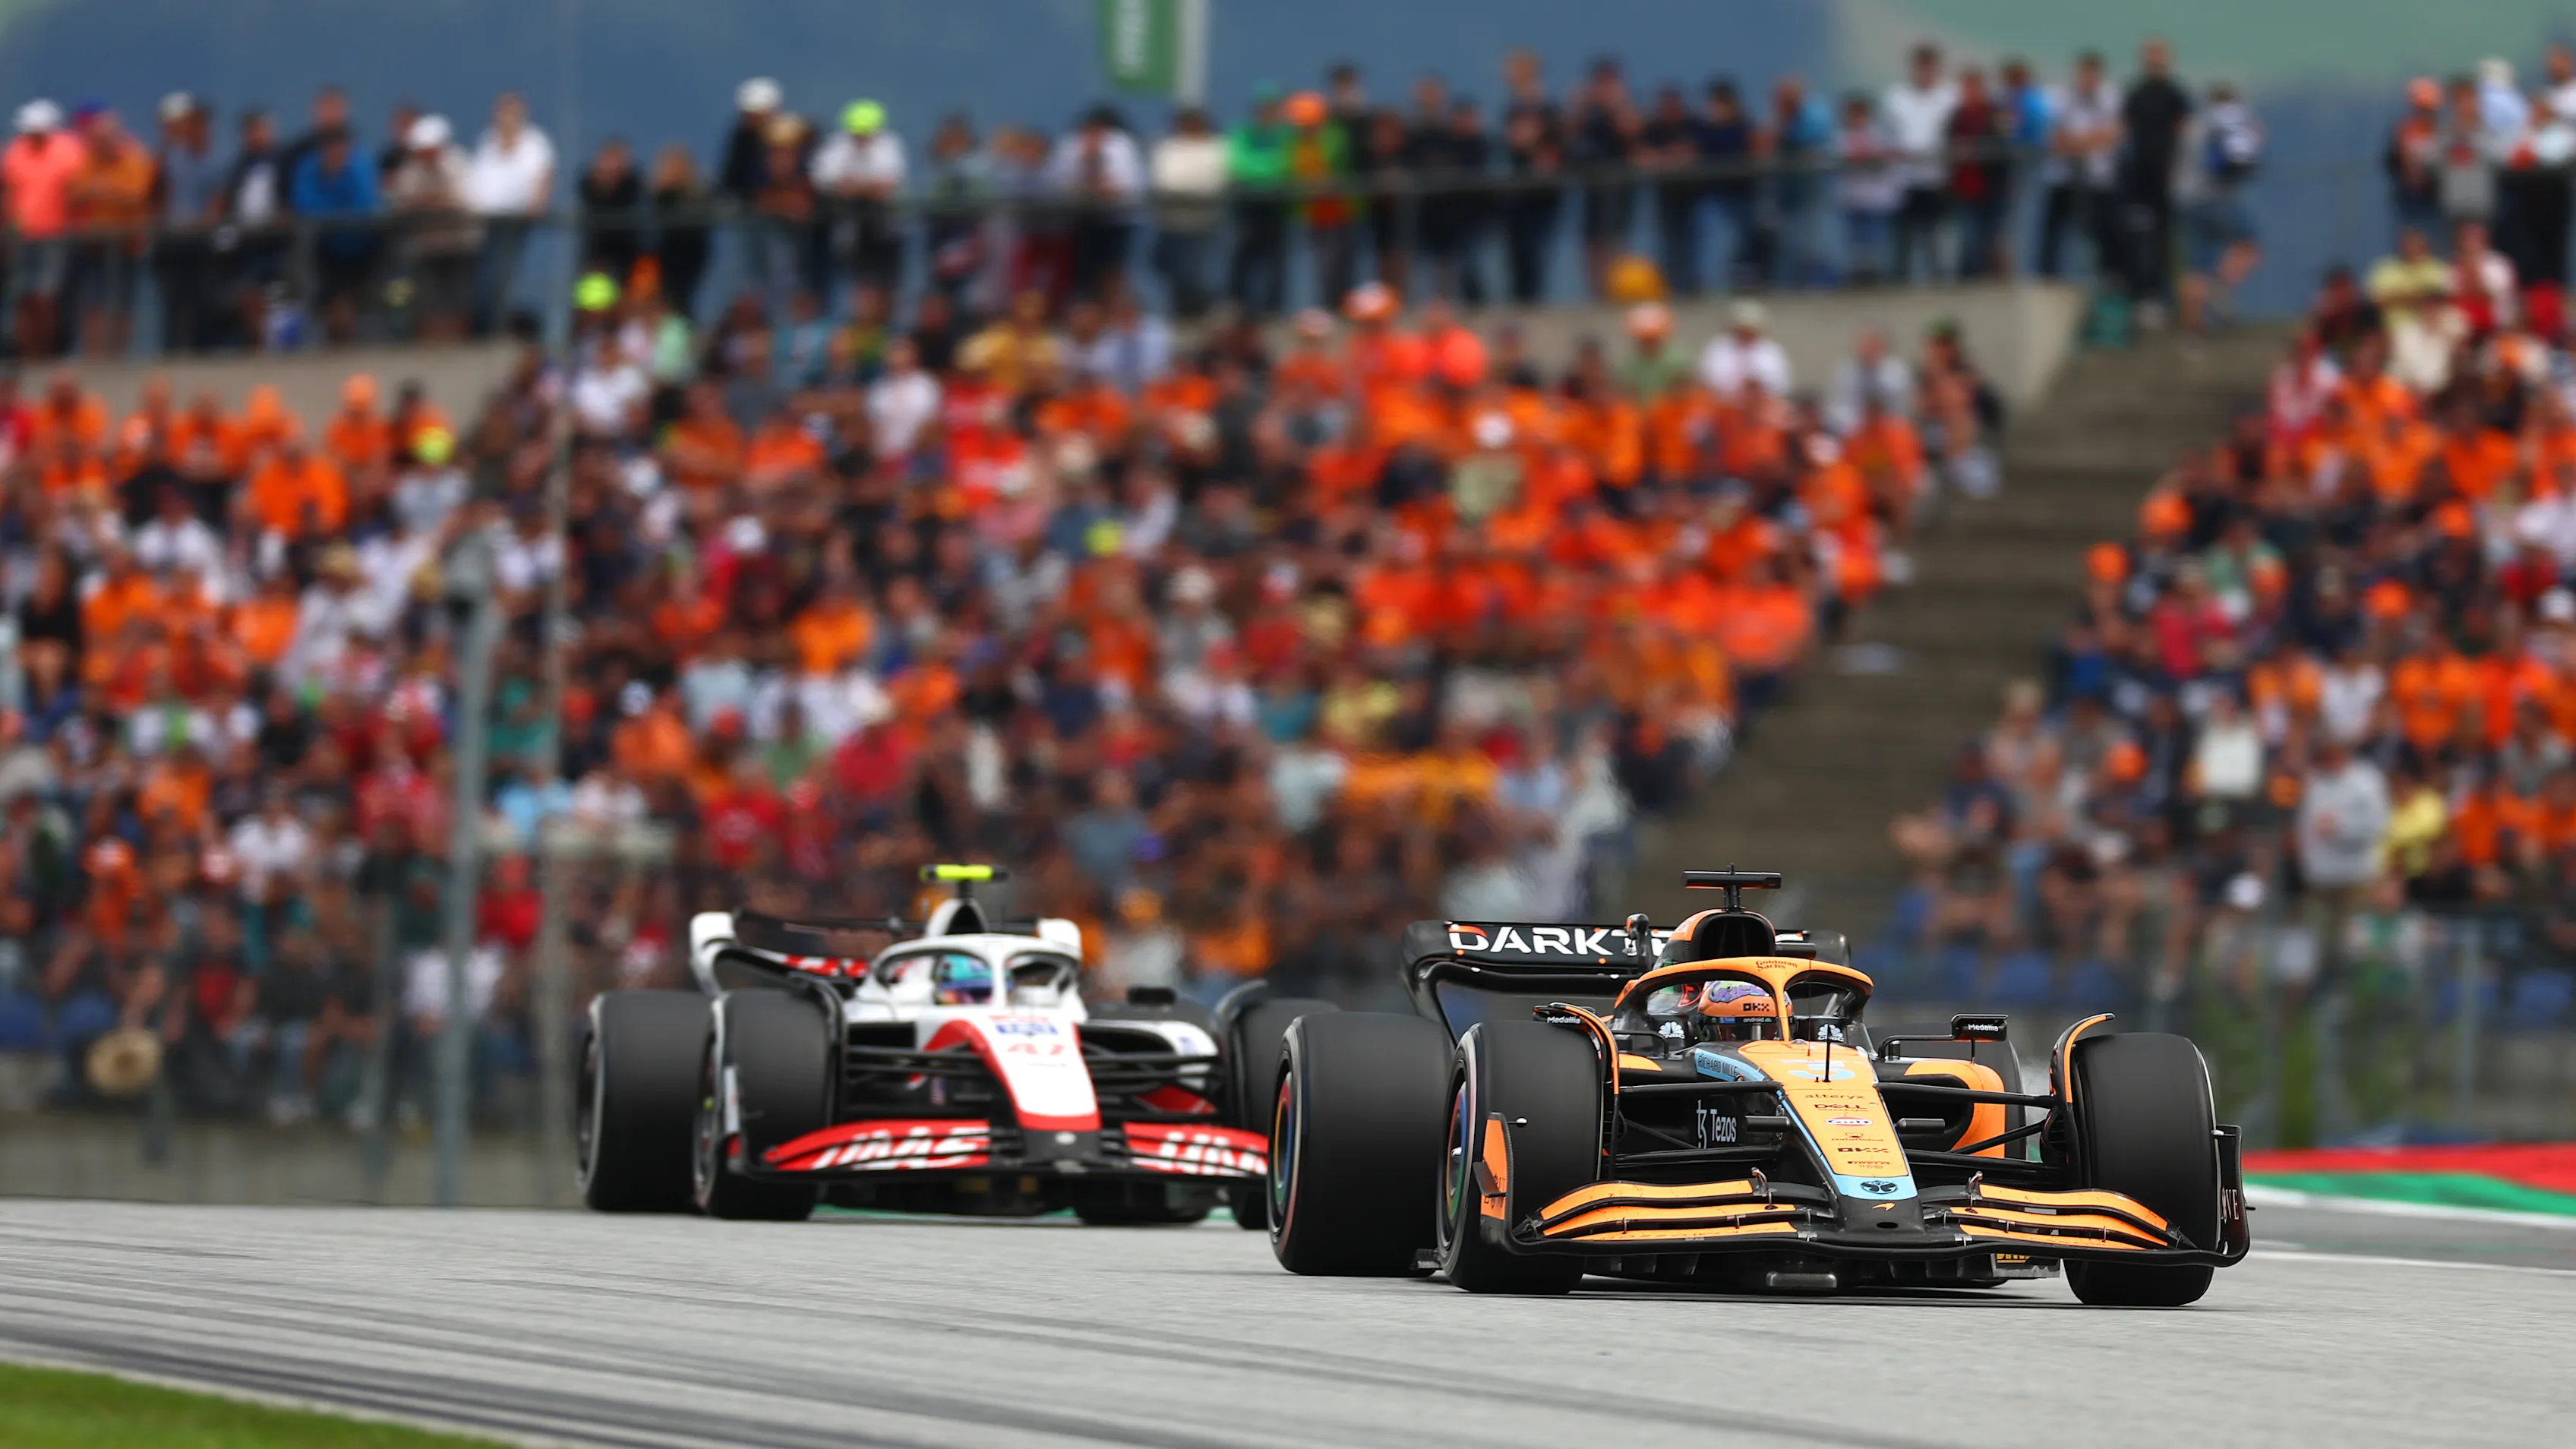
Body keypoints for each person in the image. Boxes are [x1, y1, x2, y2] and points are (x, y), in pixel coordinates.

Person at [462, 93, 554, 336]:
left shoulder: (534, 143)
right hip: (484, 221)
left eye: (511, 112)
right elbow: (477, 180)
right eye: (502, 112)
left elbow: (543, 176)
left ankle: (495, 326)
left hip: (515, 221)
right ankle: (482, 325)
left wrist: (537, 204)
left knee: (502, 273)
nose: (506, 118)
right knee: (484, 275)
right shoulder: (487, 141)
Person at [383, 114, 477, 340]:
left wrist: (427, 201)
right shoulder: (411, 170)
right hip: (426, 246)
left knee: (459, 298)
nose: (425, 155)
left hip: (460, 245)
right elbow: (401, 201)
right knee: (425, 298)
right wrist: (436, 200)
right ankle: (428, 342)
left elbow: (460, 201)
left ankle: (458, 343)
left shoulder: (459, 164)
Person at [2179, 82, 2263, 334]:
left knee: (2196, 264)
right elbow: (2241, 158)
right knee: (2249, 244)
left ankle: (2192, 326)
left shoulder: (2193, 125)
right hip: (2216, 198)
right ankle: (2220, 286)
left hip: (2186, 201)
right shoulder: (2229, 122)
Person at [2117, 38, 2192, 317]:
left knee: (2167, 239)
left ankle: (2165, 295)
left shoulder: (2176, 95)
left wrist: (2178, 168)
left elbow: (2185, 132)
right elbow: (2124, 131)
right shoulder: (2136, 94)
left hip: (2166, 178)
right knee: (2140, 237)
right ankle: (2142, 292)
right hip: (2139, 178)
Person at [1043, 105, 1144, 303]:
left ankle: (1112, 308)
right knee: (1078, 273)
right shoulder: (1071, 145)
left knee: (1112, 271)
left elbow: (1129, 187)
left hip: (1116, 222)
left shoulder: (1121, 146)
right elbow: (1057, 185)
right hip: (1078, 222)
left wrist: (1098, 186)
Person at [288, 128, 381, 341]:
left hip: (362, 249)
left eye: (341, 149)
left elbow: (364, 206)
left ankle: (355, 339)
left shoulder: (360, 167)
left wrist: (333, 211)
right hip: (324, 251)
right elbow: (305, 208)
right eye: (330, 150)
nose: (336, 155)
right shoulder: (309, 169)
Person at [5, 100, 80, 358]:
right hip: (22, 235)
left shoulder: (68, 152)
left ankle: (46, 354)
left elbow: (75, 192)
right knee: (23, 297)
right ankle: (25, 354)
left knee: (46, 298)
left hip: (54, 235)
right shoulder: (15, 152)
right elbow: (8, 192)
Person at [151, 93, 226, 355]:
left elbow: (217, 206)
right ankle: (172, 351)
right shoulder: (171, 161)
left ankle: (202, 351)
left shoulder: (215, 164)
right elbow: (161, 198)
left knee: (201, 299)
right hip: (173, 240)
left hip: (199, 242)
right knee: (173, 300)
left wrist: (200, 222)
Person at [2038, 52, 2121, 279]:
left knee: (2102, 232)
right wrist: (2084, 143)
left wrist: (2081, 142)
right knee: (2053, 232)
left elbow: (2113, 133)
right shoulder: (2061, 97)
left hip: (2098, 178)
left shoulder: (2111, 98)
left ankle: (2106, 279)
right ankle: (2048, 277)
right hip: (2064, 176)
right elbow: (2054, 134)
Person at [1883, 43, 1957, 283]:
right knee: (1903, 241)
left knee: (1938, 242)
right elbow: (1890, 137)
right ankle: (1900, 284)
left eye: (1930, 66)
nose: (1925, 71)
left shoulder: (1950, 97)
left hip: (1938, 180)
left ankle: (1940, 283)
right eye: (1921, 66)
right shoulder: (1897, 98)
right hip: (1905, 181)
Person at [1499, 49, 1565, 305]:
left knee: (1535, 249)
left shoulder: (1546, 110)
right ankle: (1521, 299)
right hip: (1517, 193)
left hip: (1542, 194)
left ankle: (1533, 301)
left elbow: (1553, 150)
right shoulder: (1513, 110)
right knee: (1516, 251)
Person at [1569, 57, 1640, 296]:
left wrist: (1617, 105)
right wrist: (1579, 107)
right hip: (1592, 186)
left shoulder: (1625, 107)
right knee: (1592, 241)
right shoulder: (1587, 111)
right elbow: (1569, 137)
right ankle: (1596, 291)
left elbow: (1632, 132)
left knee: (1616, 239)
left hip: (1619, 185)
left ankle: (1618, 289)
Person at [1225, 88, 1292, 316]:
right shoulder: (1241, 135)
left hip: (1277, 206)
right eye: (1262, 109)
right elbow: (1237, 166)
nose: (1266, 114)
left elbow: (1288, 166)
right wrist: (1267, 174)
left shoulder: (1287, 137)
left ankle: (1273, 308)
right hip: (1248, 206)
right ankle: (1239, 305)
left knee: (1276, 260)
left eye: (1271, 109)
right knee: (1243, 256)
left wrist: (1258, 174)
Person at [1833, 91, 1897, 284]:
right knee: (1855, 247)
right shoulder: (1840, 137)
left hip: (1876, 201)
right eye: (1853, 113)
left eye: (1860, 113)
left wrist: (1868, 156)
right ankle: (1857, 281)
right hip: (1853, 201)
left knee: (1876, 246)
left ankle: (1878, 280)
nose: (1856, 118)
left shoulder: (1880, 135)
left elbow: (1885, 160)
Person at [649, 144, 712, 320]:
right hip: (661, 272)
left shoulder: (699, 198)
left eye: (674, 166)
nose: (668, 172)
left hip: (689, 273)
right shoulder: (653, 201)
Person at [576, 137, 643, 289]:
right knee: (592, 304)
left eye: (618, 160)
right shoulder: (587, 185)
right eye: (609, 158)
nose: (612, 165)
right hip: (595, 261)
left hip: (627, 263)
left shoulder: (634, 188)